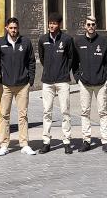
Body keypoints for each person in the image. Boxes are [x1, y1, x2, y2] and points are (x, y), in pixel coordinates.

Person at [0, 17, 36, 156]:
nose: (13, 30)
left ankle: (24, 144)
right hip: (5, 85)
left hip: (23, 85)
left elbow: (31, 62)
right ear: (6, 28)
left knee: (23, 115)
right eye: (11, 28)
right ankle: (4, 145)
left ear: (18, 28)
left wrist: (31, 80)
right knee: (4, 115)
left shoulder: (26, 42)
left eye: (15, 28)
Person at [38, 13, 77, 154]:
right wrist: (49, 69)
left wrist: (64, 71)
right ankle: (46, 142)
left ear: (59, 24)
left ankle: (66, 141)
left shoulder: (67, 39)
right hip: (47, 81)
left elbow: (71, 57)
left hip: (63, 81)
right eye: (50, 23)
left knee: (65, 111)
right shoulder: (43, 39)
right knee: (46, 111)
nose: (51, 26)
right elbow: (42, 58)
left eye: (54, 23)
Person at [74, 15, 107, 153]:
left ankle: (106, 140)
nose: (91, 27)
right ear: (85, 26)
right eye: (88, 24)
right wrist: (77, 77)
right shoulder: (78, 42)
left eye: (93, 24)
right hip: (84, 83)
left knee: (103, 112)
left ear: (96, 26)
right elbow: (74, 62)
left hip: (101, 83)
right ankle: (86, 140)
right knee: (85, 112)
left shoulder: (102, 41)